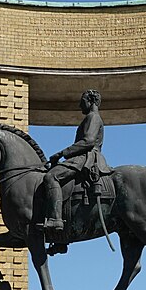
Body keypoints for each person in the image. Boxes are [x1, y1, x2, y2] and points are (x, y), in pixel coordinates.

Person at [41, 89, 110, 235]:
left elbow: (88, 141)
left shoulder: (93, 117)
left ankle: (55, 220)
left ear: (90, 101)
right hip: (82, 156)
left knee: (51, 177)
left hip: (86, 157)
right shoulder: (91, 117)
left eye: (82, 101)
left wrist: (62, 153)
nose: (80, 105)